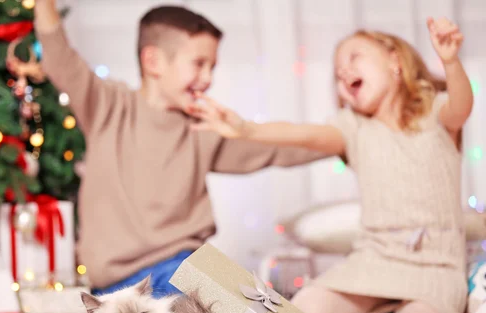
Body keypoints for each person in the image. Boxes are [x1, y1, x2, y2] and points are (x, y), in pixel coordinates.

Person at [187, 17, 474, 313]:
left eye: (354, 57)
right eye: (338, 73)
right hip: (376, 259)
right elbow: (304, 134)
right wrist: (245, 128)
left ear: (395, 59)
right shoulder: (351, 128)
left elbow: (461, 106)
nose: (343, 72)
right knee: (306, 308)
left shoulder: (435, 114)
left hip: (436, 265)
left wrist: (451, 62)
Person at [34, 1, 328, 297]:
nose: (208, 78)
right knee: (225, 303)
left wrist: (341, 138)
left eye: (212, 67)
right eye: (199, 64)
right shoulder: (107, 105)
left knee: (256, 304)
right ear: (153, 62)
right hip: (118, 283)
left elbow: (274, 149)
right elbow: (59, 55)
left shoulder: (203, 128)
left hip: (183, 265)